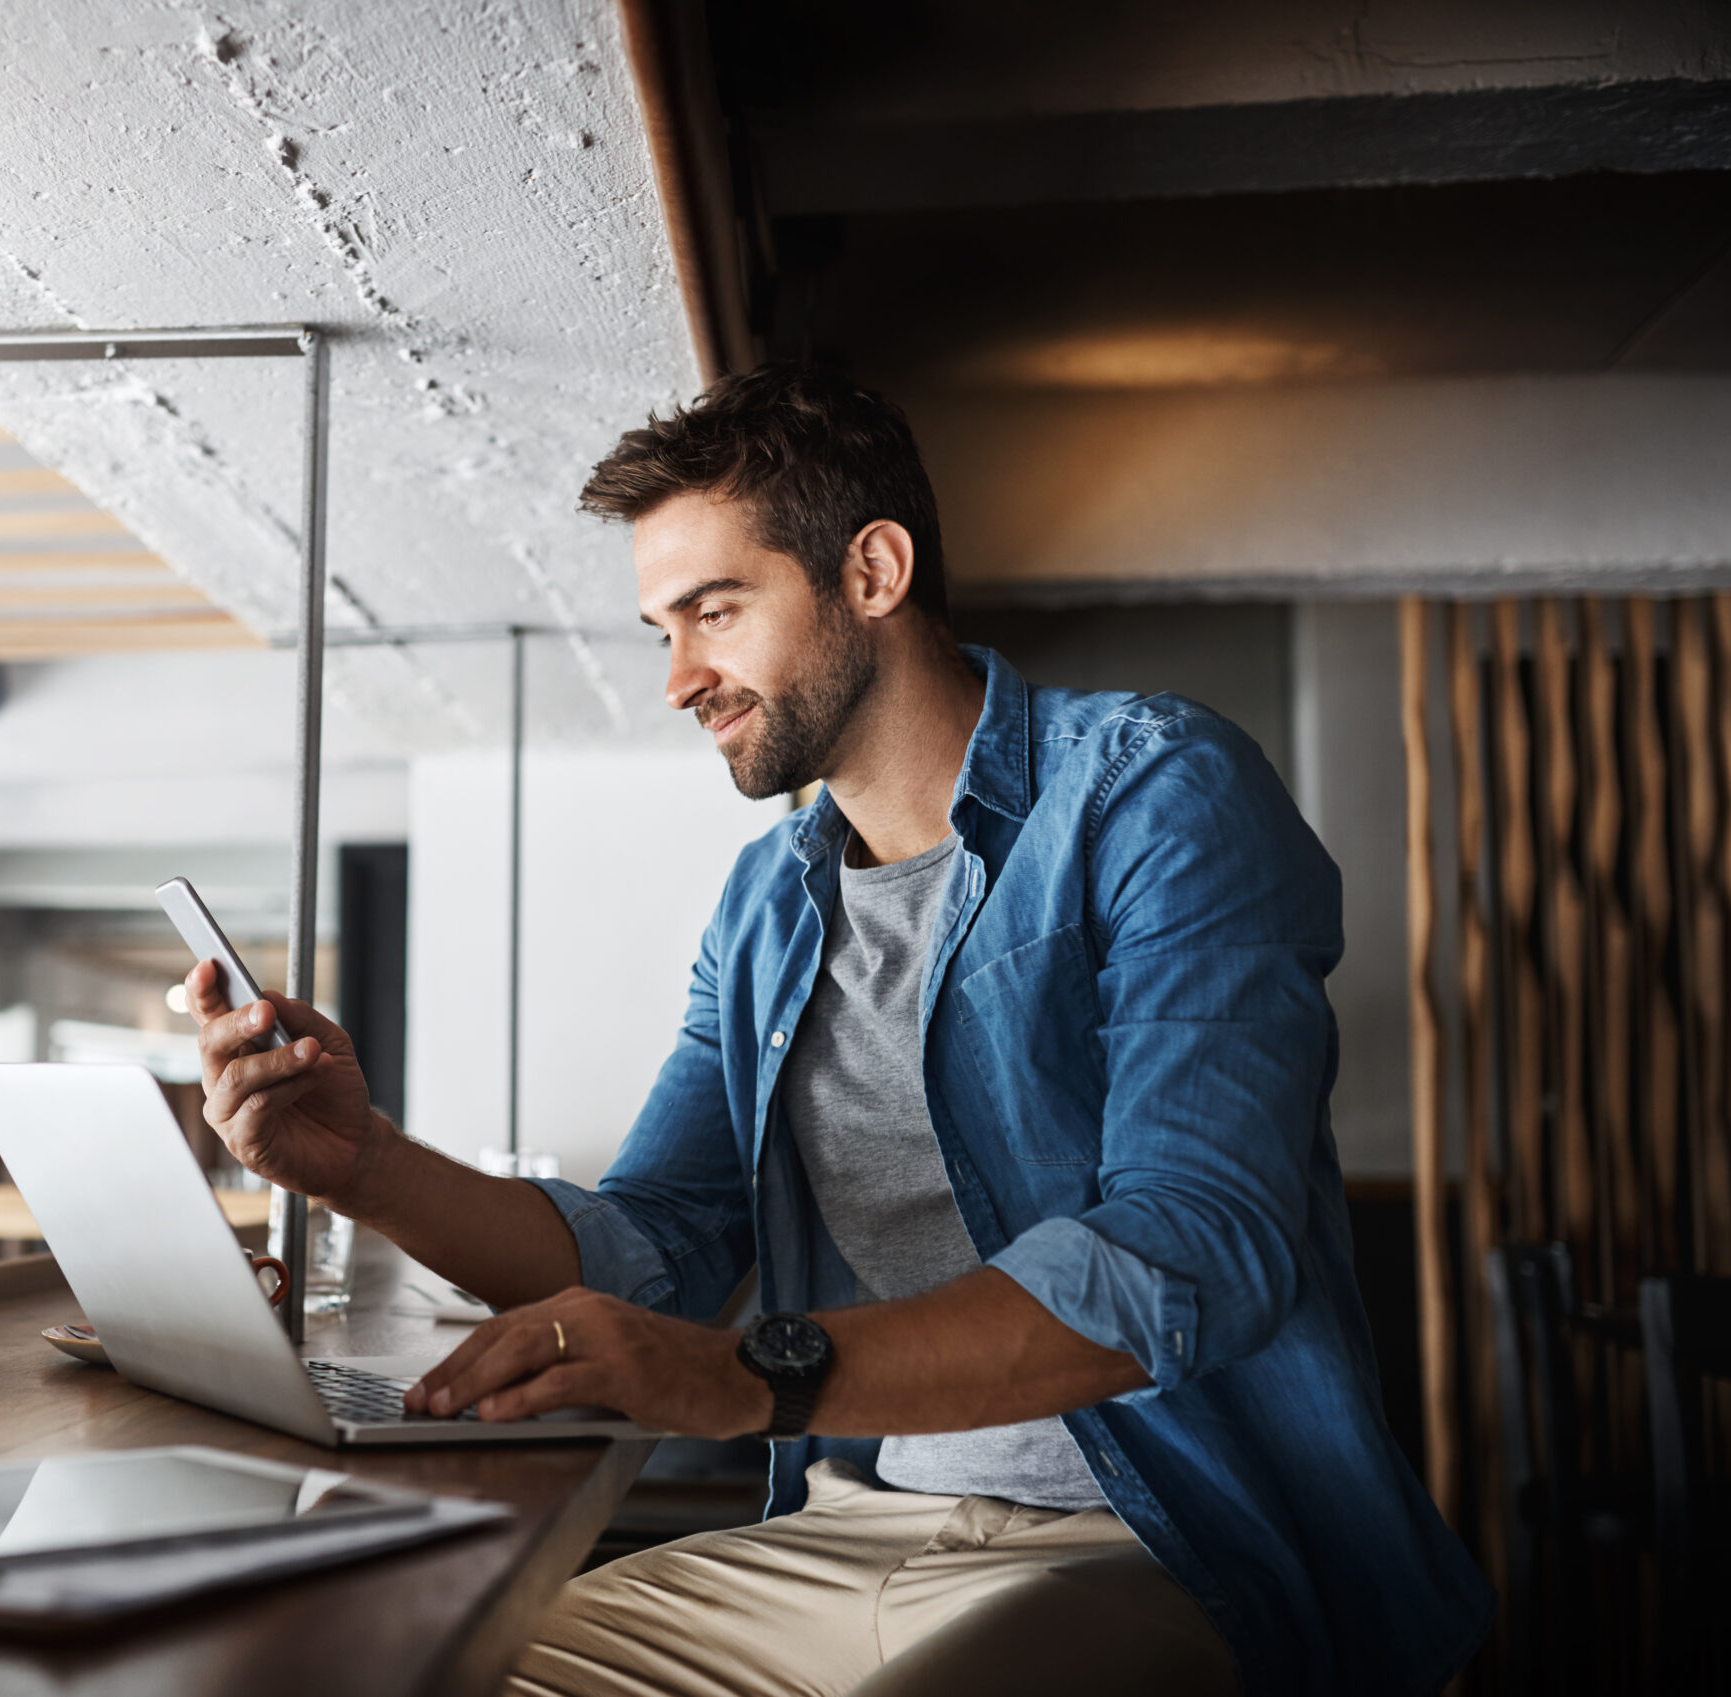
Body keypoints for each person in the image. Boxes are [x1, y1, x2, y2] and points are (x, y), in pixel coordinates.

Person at [182, 365, 1491, 1697]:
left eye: (715, 611)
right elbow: (660, 1248)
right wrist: (365, 1164)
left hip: (1158, 1542)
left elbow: (1197, 1241)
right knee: (412, 1672)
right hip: (843, 1530)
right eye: (661, 629)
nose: (680, 676)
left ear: (872, 569)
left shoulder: (1155, 793)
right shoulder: (767, 903)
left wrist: (755, 1372)